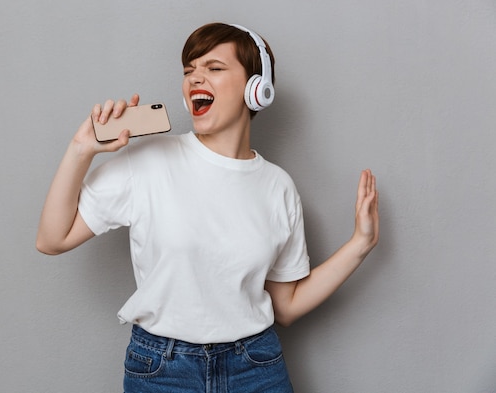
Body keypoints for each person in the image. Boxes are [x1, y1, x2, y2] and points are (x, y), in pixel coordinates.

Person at [36, 22, 379, 393]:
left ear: (256, 89)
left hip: (256, 366)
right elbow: (52, 239)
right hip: (162, 371)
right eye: (189, 70)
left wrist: (360, 244)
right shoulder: (149, 161)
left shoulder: (277, 186)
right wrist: (80, 149)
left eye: (214, 68)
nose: (195, 78)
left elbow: (287, 306)